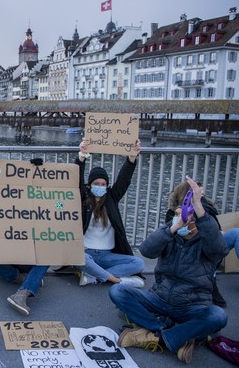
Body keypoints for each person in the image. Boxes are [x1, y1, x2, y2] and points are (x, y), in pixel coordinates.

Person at [109, 176, 228, 364]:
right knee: (118, 291)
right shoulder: (171, 232)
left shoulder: (209, 237)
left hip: (192, 304)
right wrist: (174, 227)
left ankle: (158, 337)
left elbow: (218, 251)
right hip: (160, 298)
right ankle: (171, 331)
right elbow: (147, 250)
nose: (185, 218)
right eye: (180, 213)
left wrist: (200, 212)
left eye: (190, 216)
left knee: (218, 316)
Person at [0, 157, 48, 316]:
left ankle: (22, 294)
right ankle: (23, 278)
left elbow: (54, 195)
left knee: (47, 254)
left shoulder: (40, 204)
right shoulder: (2, 206)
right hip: (10, 254)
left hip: (29, 256)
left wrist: (36, 170)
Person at [74, 138, 145, 287]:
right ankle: (116, 279)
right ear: (89, 185)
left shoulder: (112, 198)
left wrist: (131, 158)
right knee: (79, 258)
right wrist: (82, 156)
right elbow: (75, 179)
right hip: (86, 253)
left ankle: (94, 276)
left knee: (138, 263)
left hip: (108, 255)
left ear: (107, 186)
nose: (100, 186)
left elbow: (124, 179)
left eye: (103, 184)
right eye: (96, 184)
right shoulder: (83, 198)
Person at [164, 179, 239, 308]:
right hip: (191, 249)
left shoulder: (206, 208)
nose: (202, 193)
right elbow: (173, 235)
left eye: (202, 191)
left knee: (236, 233)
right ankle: (210, 284)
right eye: (199, 191)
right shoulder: (174, 213)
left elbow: (217, 229)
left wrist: (215, 230)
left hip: (211, 244)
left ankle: (209, 282)